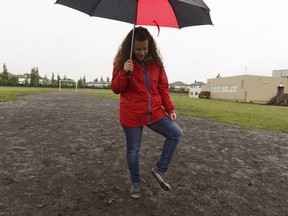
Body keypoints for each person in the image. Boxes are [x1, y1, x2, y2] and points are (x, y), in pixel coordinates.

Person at [111, 26, 183, 199]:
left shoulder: (156, 64)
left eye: (145, 48)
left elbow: (163, 88)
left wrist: (170, 108)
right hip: (132, 113)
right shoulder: (122, 62)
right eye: (137, 49)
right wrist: (124, 72)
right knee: (133, 150)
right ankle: (135, 183)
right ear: (130, 47)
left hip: (154, 111)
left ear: (149, 46)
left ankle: (160, 169)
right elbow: (116, 88)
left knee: (176, 134)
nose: (142, 52)